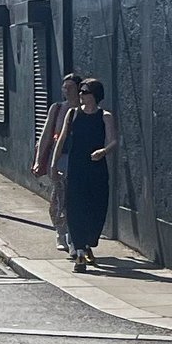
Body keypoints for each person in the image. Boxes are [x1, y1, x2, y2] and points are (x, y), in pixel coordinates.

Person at [53, 77, 118, 272]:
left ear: (95, 96)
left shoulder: (105, 116)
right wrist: (54, 165)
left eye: (85, 92)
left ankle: (89, 244)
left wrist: (103, 151)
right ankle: (79, 252)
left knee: (97, 208)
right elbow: (62, 139)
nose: (80, 95)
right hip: (76, 167)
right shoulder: (72, 114)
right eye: (80, 92)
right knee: (75, 208)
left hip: (97, 169)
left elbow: (113, 140)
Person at [31, 74, 81, 255]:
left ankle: (73, 236)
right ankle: (61, 233)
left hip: (78, 160)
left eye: (70, 87)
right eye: (64, 87)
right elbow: (45, 135)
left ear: (78, 89)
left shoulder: (84, 110)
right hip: (59, 158)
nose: (66, 91)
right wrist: (38, 160)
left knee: (76, 199)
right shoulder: (58, 108)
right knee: (59, 197)